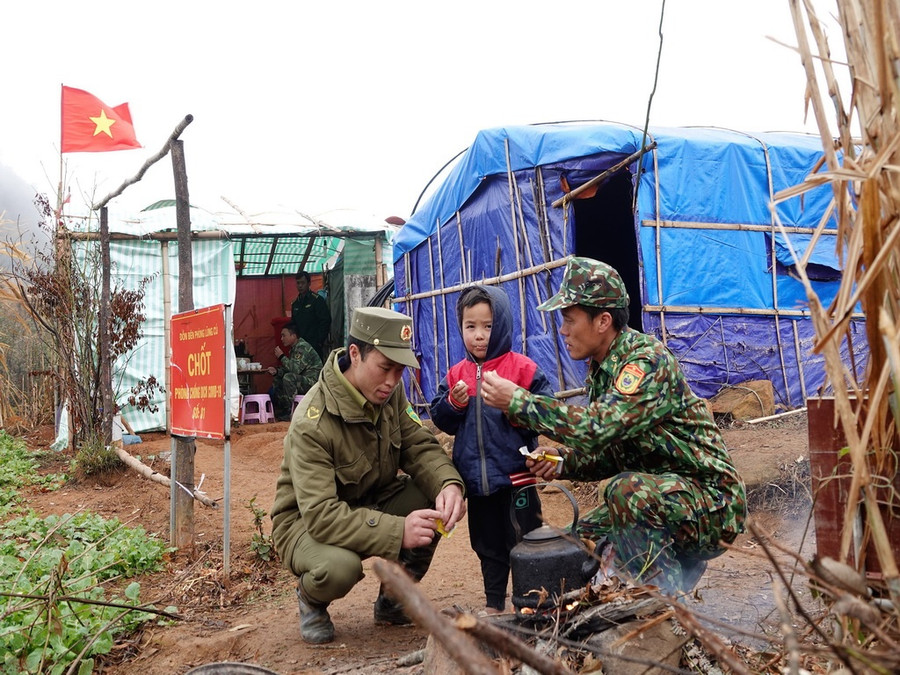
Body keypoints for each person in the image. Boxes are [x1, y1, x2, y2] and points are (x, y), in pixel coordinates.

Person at [481, 257, 746, 595]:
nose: (562, 331)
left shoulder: (646, 361)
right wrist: (562, 461)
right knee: (570, 543)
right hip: (665, 497)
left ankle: (663, 609)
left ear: (603, 320)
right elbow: (612, 453)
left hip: (712, 506)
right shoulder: (604, 369)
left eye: (569, 319)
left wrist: (519, 402)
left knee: (625, 491)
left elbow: (598, 427)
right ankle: (586, 618)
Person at [271, 306, 467, 644]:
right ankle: (311, 600)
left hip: (373, 499)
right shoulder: (312, 423)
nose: (392, 381)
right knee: (340, 568)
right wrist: (397, 530)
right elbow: (320, 516)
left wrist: (448, 484)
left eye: (400, 371)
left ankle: (394, 600)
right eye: (385, 368)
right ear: (355, 355)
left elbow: (418, 445)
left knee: (433, 501)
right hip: (306, 524)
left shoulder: (388, 392)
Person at [430, 285, 553, 614]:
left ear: (502, 324)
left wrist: (515, 406)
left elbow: (546, 412)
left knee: (525, 540)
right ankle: (494, 603)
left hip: (517, 479)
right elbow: (442, 420)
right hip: (477, 482)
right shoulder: (457, 374)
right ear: (461, 327)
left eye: (488, 326)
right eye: (471, 327)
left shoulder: (522, 369)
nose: (479, 335)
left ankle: (529, 602)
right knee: (487, 545)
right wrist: (453, 404)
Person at [266, 323, 322, 421]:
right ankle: (282, 408)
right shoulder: (294, 348)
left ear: (293, 336)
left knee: (289, 378)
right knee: (278, 378)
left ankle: (289, 411)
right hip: (302, 380)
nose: (282, 338)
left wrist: (281, 356)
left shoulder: (302, 347)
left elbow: (294, 369)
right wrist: (277, 371)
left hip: (313, 383)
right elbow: (290, 368)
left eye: (284, 335)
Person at [291, 269, 330, 360]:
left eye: (302, 283)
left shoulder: (317, 300)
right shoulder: (295, 304)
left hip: (314, 345)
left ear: (309, 283)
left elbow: (325, 320)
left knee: (315, 371)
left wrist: (319, 341)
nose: (300, 286)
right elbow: (293, 325)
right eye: (298, 283)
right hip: (300, 345)